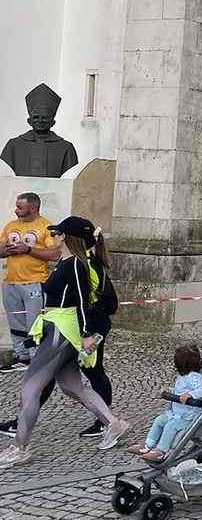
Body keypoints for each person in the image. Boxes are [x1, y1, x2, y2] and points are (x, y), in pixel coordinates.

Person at [0, 217, 131, 467]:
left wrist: (86, 335)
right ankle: (114, 423)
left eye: (57, 234)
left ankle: (19, 447)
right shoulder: (67, 262)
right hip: (59, 326)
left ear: (65, 238)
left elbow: (82, 303)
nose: (53, 237)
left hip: (62, 329)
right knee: (73, 387)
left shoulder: (75, 265)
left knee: (29, 390)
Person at [1, 193, 58, 373]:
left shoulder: (46, 226)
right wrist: (8, 250)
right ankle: (21, 356)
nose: (16, 211)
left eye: (20, 207)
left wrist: (28, 250)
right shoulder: (11, 225)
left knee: (34, 323)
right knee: (16, 322)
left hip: (35, 282)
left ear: (33, 208)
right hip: (10, 281)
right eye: (17, 207)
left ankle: (36, 357)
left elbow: (54, 254)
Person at [124, 345, 202, 462]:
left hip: (189, 417)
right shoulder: (182, 377)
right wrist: (170, 390)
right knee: (160, 420)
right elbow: (179, 390)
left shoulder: (194, 377)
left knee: (170, 426)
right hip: (177, 413)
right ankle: (147, 444)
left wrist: (191, 395)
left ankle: (161, 451)